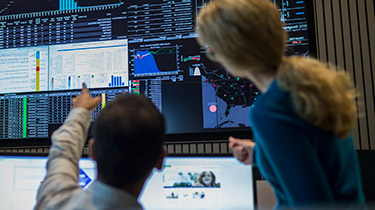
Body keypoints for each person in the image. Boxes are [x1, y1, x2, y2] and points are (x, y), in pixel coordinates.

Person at [197, 0, 365, 208]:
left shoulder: (270, 110)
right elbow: (319, 159)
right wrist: (262, 154)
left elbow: (311, 203)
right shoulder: (314, 81)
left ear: (232, 52)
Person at [35, 84, 166, 210]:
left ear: (92, 151)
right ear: (160, 160)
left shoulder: (54, 200)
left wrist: (80, 111)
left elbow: (63, 152)